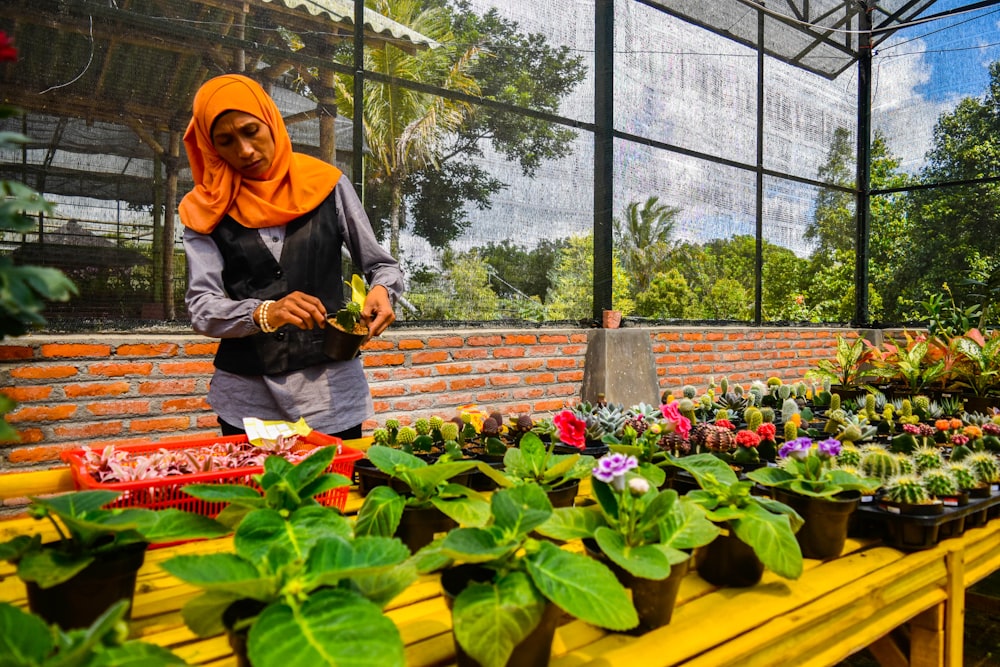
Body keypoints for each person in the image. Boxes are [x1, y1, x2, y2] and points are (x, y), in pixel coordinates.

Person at [178, 73, 403, 441]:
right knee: (257, 497)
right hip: (248, 403)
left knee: (333, 494)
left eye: (251, 131)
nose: (245, 150)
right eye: (226, 141)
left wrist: (383, 290)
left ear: (270, 122)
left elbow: (381, 265)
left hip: (331, 397)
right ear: (211, 147)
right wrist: (265, 312)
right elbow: (202, 308)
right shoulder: (204, 211)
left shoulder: (327, 184)